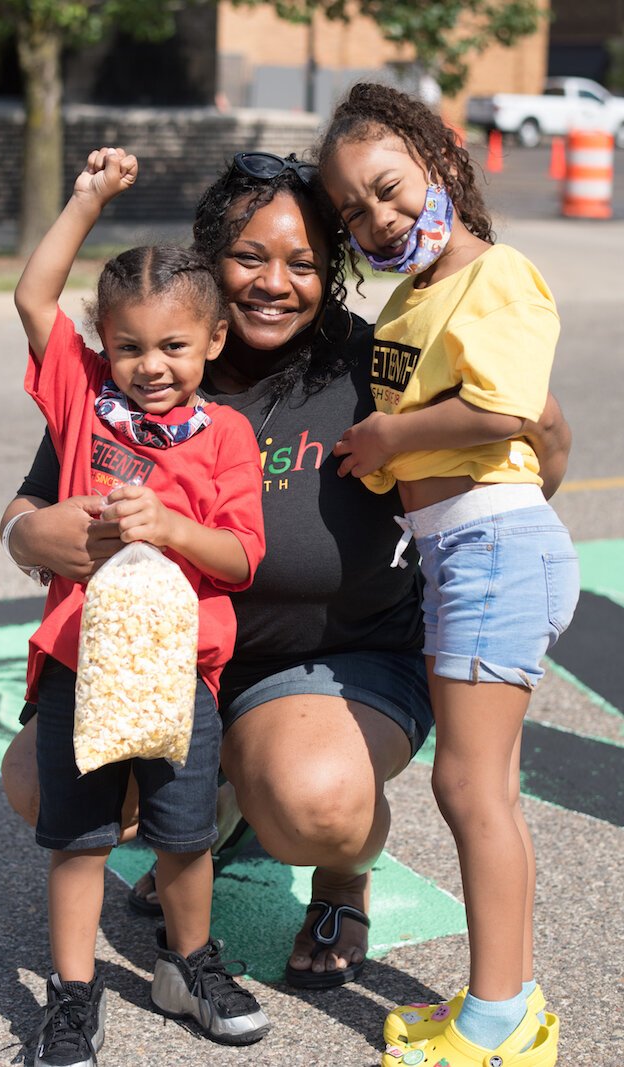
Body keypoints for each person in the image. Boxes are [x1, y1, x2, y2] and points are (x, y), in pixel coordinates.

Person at [0, 149, 572, 1003]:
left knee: (313, 800)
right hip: (168, 662)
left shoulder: (372, 363)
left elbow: (518, 441)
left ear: (332, 268)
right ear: (207, 262)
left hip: (336, 657)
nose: (276, 282)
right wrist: (26, 536)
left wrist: (536, 427)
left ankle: (341, 877)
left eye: (303, 262)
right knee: (40, 780)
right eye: (249, 257)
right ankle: (205, 815)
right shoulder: (145, 364)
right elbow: (30, 501)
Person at [318, 84, 580, 1066]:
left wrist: (389, 432)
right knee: (484, 788)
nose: (377, 219)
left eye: (388, 190)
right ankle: (497, 996)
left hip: (493, 547)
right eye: (353, 211)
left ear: (442, 164)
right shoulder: (407, 298)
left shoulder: (497, 272)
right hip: (459, 552)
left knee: (470, 787)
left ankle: (501, 1021)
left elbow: (510, 408)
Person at [12, 145, 270, 1065]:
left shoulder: (228, 435)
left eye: (172, 346)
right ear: (103, 343)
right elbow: (34, 299)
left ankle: (188, 962)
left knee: (183, 832)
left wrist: (167, 526)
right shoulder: (82, 398)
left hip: (181, 675)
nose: (149, 366)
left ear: (213, 342)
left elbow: (241, 554)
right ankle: (73, 993)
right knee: (79, 838)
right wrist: (85, 202)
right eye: (128, 345)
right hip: (83, 664)